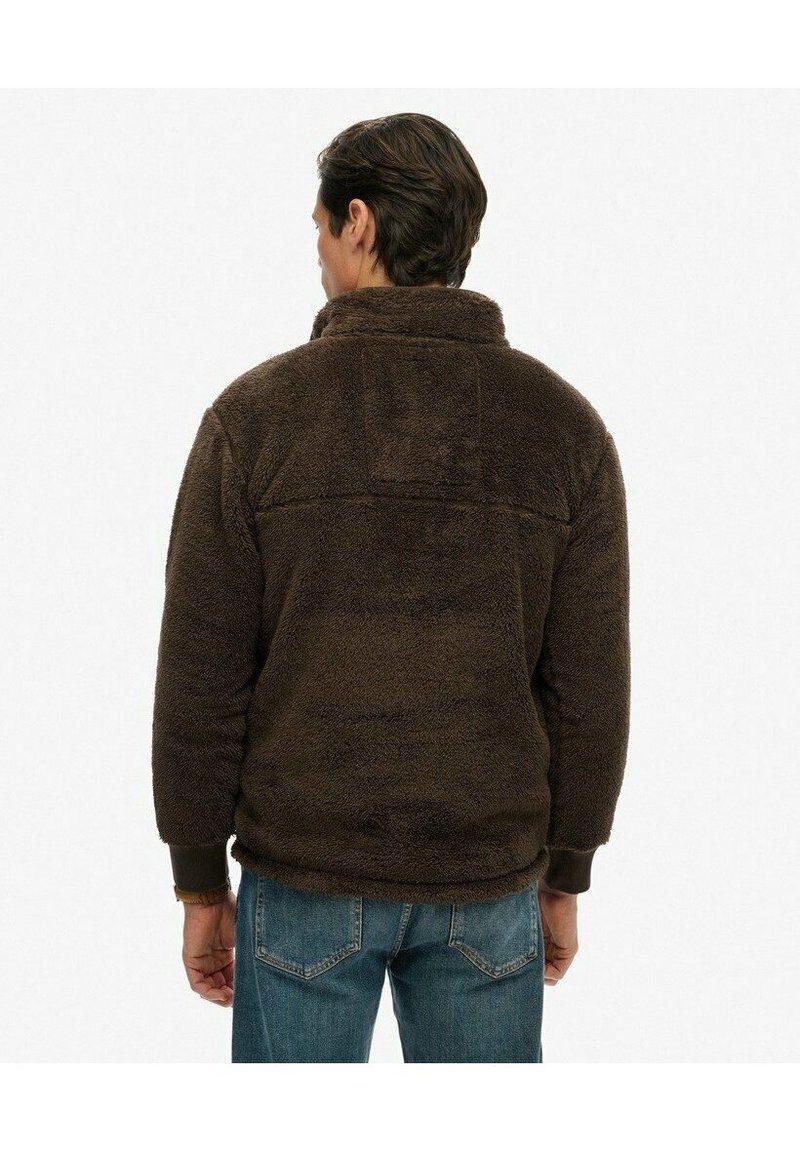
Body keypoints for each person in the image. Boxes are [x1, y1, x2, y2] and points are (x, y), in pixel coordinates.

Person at [151, 112, 631, 1062]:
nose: (318, 252)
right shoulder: (565, 429)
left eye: (321, 227)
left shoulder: (255, 419)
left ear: (360, 222)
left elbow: (200, 676)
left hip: (304, 878)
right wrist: (566, 873)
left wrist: (201, 885)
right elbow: (590, 690)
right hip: (488, 883)